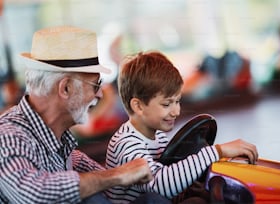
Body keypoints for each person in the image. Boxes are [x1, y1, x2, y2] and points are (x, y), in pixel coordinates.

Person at [0, 26, 171, 204]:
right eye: (95, 85)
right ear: (66, 88)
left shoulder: (62, 145)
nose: (99, 94)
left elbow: (116, 185)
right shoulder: (8, 136)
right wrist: (119, 174)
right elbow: (35, 193)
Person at [105, 51, 258, 203]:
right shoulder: (126, 144)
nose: (176, 111)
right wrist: (217, 152)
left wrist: (189, 187)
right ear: (138, 106)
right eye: (166, 104)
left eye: (177, 101)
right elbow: (159, 186)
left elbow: (171, 177)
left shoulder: (157, 136)